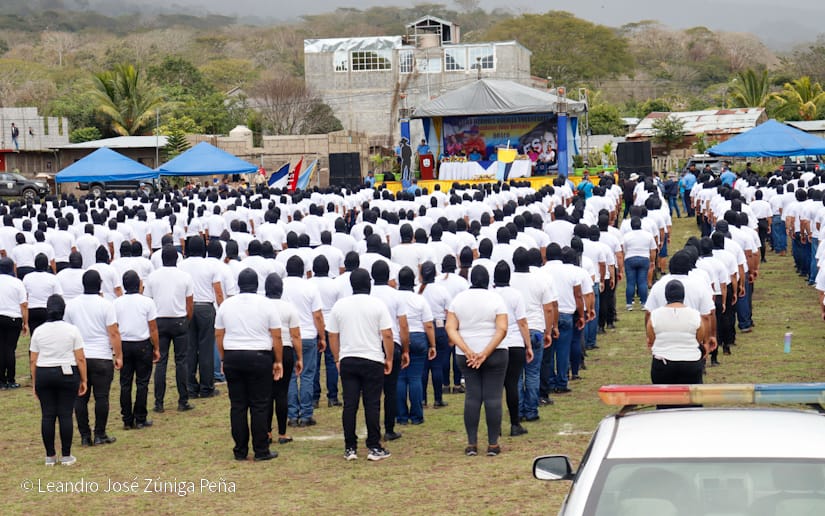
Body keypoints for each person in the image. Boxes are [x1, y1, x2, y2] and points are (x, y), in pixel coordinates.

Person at [215, 268, 283, 461]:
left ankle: (240, 450)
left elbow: (219, 334)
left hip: (233, 356)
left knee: (238, 405)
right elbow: (276, 335)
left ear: (238, 285)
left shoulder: (226, 305)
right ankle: (261, 450)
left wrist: (223, 357)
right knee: (259, 405)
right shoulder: (266, 304)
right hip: (259, 356)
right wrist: (278, 360)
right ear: (257, 285)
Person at [327, 268, 394, 461]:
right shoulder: (377, 304)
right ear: (369, 284)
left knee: (350, 404)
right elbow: (387, 334)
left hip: (348, 358)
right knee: (372, 404)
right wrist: (388, 358)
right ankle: (374, 446)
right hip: (372, 358)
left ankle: (350, 447)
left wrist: (337, 357)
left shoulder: (340, 305)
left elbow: (332, 334)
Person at [446, 265, 508, 457]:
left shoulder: (458, 300)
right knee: (493, 398)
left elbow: (450, 327)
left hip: (466, 354)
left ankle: (472, 443)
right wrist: (485, 352)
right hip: (495, 352)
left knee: (472, 397)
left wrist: (468, 351)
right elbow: (502, 329)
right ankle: (493, 444)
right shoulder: (496, 298)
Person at [65, 270, 122, 447]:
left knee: (80, 397)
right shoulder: (106, 305)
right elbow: (113, 332)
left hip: (79, 356)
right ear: (99, 284)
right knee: (101, 397)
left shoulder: (72, 305)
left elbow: (67, 332)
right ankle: (99, 434)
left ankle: (84, 436)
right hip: (101, 356)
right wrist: (118, 355)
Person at [29, 294, 87, 466]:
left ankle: (50, 456)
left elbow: (33, 359)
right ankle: (66, 455)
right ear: (64, 310)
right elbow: (80, 358)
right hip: (67, 373)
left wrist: (34, 383)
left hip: (44, 373)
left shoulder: (39, 331)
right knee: (65, 414)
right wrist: (84, 379)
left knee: (47, 415)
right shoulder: (72, 330)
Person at [144, 246, 194, 413]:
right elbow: (189, 304)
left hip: (159, 322)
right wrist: (187, 320)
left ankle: (159, 403)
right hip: (179, 320)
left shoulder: (152, 277)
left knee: (161, 361)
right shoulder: (185, 277)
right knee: (181, 362)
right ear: (177, 259)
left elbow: (148, 302)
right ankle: (183, 400)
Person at [114, 271, 159, 430]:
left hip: (125, 344)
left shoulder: (117, 303)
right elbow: (153, 328)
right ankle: (140, 418)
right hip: (142, 344)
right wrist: (157, 347)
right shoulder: (147, 302)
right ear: (139, 284)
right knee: (142, 382)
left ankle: (127, 419)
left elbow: (115, 328)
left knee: (125, 383)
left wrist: (116, 351)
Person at [491, 261, 533, 437]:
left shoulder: (490, 295)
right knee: (512, 385)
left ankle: (496, 426)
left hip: (496, 344)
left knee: (495, 388)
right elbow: (522, 322)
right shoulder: (516, 295)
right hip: (515, 343)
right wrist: (528, 345)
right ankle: (515, 424)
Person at [645, 280, 708, 394]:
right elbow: (699, 338)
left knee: (664, 401)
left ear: (666, 295)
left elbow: (652, 338)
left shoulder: (655, 315)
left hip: (663, 363)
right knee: (692, 400)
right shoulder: (695, 314)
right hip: (691, 362)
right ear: (683, 295)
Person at [263, 273, 303, 446]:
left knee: (265, 394)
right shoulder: (289, 308)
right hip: (285, 351)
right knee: (281, 393)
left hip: (265, 351)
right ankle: (282, 432)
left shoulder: (261, 306)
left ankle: (267, 432)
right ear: (281, 290)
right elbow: (295, 335)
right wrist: (299, 357)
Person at [396, 266, 436, 425]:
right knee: (415, 378)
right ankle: (417, 415)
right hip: (418, 337)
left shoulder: (394, 298)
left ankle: (401, 416)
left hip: (399, 337)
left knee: (399, 378)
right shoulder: (419, 299)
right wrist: (432, 344)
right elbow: (428, 325)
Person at [0, 257, 28, 389]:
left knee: (1, 349)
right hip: (13, 318)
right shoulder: (17, 283)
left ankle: (1, 381)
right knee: (10, 349)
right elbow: (23, 305)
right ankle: (11, 379)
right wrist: (25, 323)